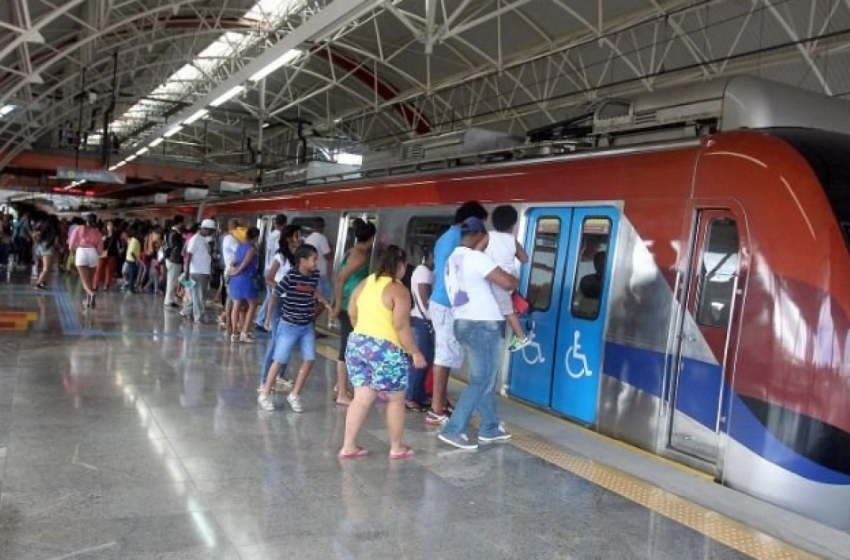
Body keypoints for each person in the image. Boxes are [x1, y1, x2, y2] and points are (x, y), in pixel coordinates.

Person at [338, 245, 426, 459]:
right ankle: (396, 447)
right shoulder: (398, 289)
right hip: (385, 349)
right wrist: (415, 352)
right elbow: (401, 326)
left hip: (357, 343)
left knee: (361, 397)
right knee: (396, 399)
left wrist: (365, 332)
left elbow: (351, 312)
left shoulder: (364, 283)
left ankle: (348, 446)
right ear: (401, 266)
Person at [438, 217, 518, 450]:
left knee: (484, 378)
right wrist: (512, 273)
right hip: (484, 324)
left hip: (462, 322)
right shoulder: (476, 257)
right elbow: (507, 283)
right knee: (482, 379)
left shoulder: (451, 259)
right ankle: (453, 429)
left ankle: (490, 427)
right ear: (480, 236)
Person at [427, 201, 488, 425]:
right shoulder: (456, 241)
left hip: (445, 302)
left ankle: (440, 401)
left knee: (448, 354)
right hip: (447, 303)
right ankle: (436, 409)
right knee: (444, 356)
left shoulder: (449, 237)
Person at [257, 244, 333, 412]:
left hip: (306, 327)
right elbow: (275, 296)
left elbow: (312, 290)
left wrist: (325, 302)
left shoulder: (314, 276)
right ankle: (264, 393)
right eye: (314, 259)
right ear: (302, 260)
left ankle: (295, 394)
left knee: (310, 359)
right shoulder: (291, 276)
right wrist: (268, 319)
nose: (316, 263)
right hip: (288, 326)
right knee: (279, 361)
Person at [332, 219, 376, 406]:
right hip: (350, 306)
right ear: (371, 238)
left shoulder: (352, 250)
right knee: (346, 349)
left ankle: (340, 385)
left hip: (349, 304)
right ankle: (342, 393)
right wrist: (337, 305)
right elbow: (341, 278)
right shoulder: (360, 256)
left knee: (349, 346)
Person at [259, 225, 303, 390]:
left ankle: (279, 375)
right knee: (276, 341)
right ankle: (264, 380)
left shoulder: (298, 256)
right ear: (289, 238)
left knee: (288, 341)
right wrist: (283, 288)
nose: (300, 238)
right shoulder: (281, 257)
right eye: (297, 235)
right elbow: (269, 278)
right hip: (280, 302)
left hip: (293, 302)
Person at [483, 205, 530, 351]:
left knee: (507, 310)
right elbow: (524, 258)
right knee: (505, 306)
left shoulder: (489, 236)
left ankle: (522, 337)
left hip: (497, 277)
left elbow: (475, 252)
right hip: (510, 276)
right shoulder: (512, 240)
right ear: (512, 224)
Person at [406, 245, 435, 411]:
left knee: (427, 359)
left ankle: (419, 394)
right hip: (422, 321)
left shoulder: (425, 271)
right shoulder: (423, 272)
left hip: (423, 321)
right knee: (420, 361)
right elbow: (425, 299)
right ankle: (410, 397)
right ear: (430, 255)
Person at [228, 226, 260, 342]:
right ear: (256, 237)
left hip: (236, 280)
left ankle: (234, 334)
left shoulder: (240, 246)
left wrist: (233, 271)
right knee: (253, 304)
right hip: (247, 278)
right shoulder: (252, 249)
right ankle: (245, 332)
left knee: (236, 305)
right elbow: (245, 264)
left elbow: (233, 262)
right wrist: (238, 270)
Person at [256, 214, 287, 331]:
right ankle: (263, 321)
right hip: (275, 269)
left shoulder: (270, 235)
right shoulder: (280, 236)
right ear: (285, 223)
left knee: (270, 297)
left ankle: (262, 320)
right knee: (272, 297)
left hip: (268, 268)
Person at [181, 218, 216, 323]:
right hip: (197, 272)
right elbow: (188, 255)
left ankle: (186, 312)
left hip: (203, 271)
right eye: (211, 231)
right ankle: (198, 317)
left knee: (196, 296)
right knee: (199, 296)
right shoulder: (195, 239)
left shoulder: (203, 239)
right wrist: (187, 272)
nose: (212, 233)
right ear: (204, 229)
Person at [68, 213, 103, 309]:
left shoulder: (78, 229)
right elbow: (100, 250)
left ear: (86, 221)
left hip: (81, 252)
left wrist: (73, 250)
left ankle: (92, 294)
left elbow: (71, 245)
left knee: (84, 279)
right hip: (93, 253)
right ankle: (87, 301)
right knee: (90, 280)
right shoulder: (97, 232)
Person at [217, 219, 244, 330]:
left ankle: (228, 320)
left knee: (232, 298)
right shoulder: (231, 239)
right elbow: (240, 253)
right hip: (232, 272)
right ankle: (227, 320)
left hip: (231, 271)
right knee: (233, 299)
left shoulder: (230, 238)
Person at [303, 218, 334, 301]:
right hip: (320, 273)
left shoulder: (308, 239)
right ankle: (316, 313)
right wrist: (331, 247)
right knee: (327, 297)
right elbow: (328, 256)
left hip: (310, 272)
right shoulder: (322, 238)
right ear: (322, 227)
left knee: (314, 297)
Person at [163, 215, 186, 309]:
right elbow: (175, 247)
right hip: (174, 260)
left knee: (172, 280)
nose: (183, 224)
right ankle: (169, 301)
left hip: (171, 259)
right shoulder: (174, 233)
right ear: (179, 223)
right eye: (182, 222)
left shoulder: (171, 232)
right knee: (172, 281)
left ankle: (169, 299)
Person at [33, 215, 57, 289]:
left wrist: (36, 242)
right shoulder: (53, 228)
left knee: (45, 267)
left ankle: (43, 282)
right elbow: (56, 241)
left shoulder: (41, 226)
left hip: (40, 248)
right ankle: (38, 283)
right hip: (48, 248)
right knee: (46, 268)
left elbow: (34, 235)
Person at [94, 220, 120, 291]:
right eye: (108, 225)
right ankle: (96, 284)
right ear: (106, 226)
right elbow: (98, 243)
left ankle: (106, 285)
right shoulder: (103, 234)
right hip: (103, 253)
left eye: (111, 225)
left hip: (112, 254)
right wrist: (102, 240)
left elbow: (118, 243)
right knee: (99, 269)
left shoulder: (116, 234)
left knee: (109, 270)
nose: (110, 226)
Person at [124, 226, 141, 293]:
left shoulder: (132, 240)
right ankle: (131, 289)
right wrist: (136, 260)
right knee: (133, 275)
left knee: (132, 274)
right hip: (132, 260)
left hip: (129, 259)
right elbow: (132, 252)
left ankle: (131, 287)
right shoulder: (135, 241)